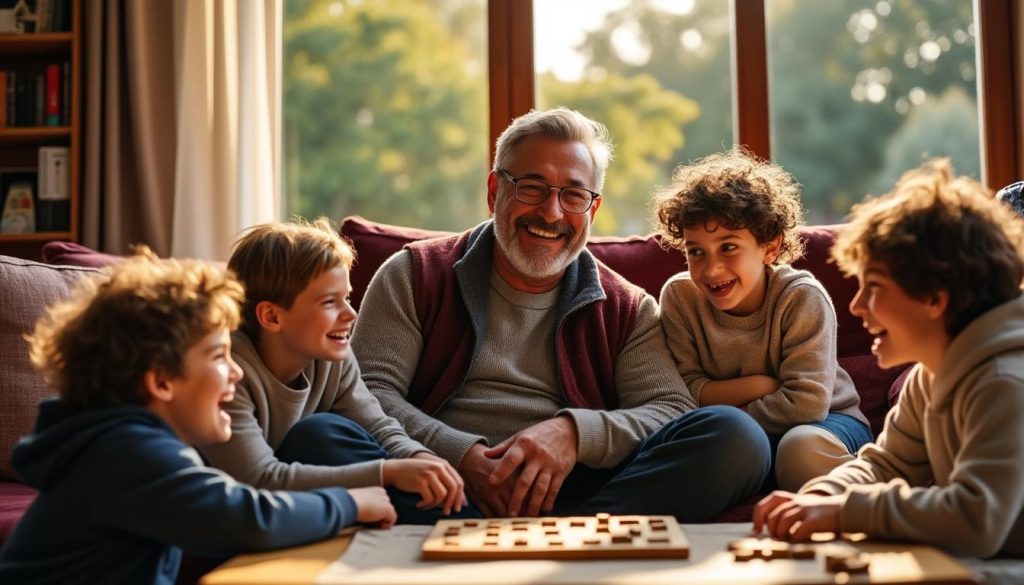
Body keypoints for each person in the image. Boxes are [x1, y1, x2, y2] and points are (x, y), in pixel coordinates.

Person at [351, 107, 770, 520]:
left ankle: (577, 537)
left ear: (593, 209)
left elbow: (668, 409)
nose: (551, 213)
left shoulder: (627, 307)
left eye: (573, 194)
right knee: (326, 435)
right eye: (531, 187)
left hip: (577, 488)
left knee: (737, 437)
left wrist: (573, 433)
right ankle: (554, 543)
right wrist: (461, 455)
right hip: (439, 482)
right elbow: (366, 391)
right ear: (495, 190)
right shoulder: (414, 273)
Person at [0, 250, 395, 585]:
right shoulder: (127, 453)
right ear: (161, 381)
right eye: (219, 357)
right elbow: (245, 518)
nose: (237, 372)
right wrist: (349, 503)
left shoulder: (117, 445)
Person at [753, 160, 1024, 559]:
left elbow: (975, 520)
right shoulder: (931, 375)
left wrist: (846, 511)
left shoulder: (1003, 381)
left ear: (934, 298)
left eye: (874, 287)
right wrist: (824, 493)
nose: (857, 306)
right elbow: (887, 465)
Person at [199, 218, 466, 523]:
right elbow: (258, 478)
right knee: (320, 432)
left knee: (332, 432)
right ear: (272, 316)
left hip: (299, 488)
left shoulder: (331, 355)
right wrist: (387, 472)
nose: (350, 314)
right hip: (239, 510)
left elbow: (378, 427)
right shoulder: (226, 373)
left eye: (347, 298)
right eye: (329, 302)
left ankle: (460, 522)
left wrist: (420, 458)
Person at [652, 149, 871, 492]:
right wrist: (765, 384)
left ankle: (868, 496)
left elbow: (807, 403)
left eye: (728, 247)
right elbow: (686, 392)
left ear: (770, 248)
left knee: (799, 449)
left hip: (828, 422)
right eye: (696, 251)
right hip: (739, 432)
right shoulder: (680, 298)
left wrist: (729, 414)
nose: (711, 269)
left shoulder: (800, 297)